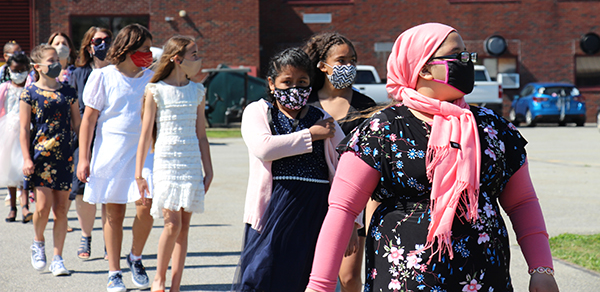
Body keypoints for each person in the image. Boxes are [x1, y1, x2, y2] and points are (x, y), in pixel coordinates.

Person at [306, 23, 560, 292]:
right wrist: (319, 285)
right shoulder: (382, 130)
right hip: (403, 282)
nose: (467, 63)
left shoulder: (492, 127)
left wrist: (541, 269)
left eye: (468, 55)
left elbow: (522, 203)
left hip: (486, 279)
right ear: (423, 68)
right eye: (457, 55)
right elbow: (342, 210)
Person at [233, 47, 346, 292]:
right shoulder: (258, 111)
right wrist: (311, 135)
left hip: (315, 210)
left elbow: (347, 165)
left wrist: (351, 223)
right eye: (287, 82)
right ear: (272, 83)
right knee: (262, 275)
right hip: (274, 207)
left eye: (302, 82)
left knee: (306, 277)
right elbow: (264, 148)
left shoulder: (323, 118)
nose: (295, 88)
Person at [76, 24, 155, 292]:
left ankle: (135, 257)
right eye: (144, 49)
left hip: (145, 153)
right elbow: (88, 120)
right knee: (114, 213)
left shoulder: (152, 78)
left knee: (147, 206)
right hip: (110, 152)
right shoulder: (103, 77)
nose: (148, 54)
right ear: (128, 49)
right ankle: (114, 271)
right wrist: (83, 159)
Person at [135, 36, 214, 292]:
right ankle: (159, 279)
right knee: (172, 223)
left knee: (185, 226)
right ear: (177, 59)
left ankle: (176, 285)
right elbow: (146, 134)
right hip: (166, 161)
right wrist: (139, 174)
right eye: (194, 54)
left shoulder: (198, 91)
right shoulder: (155, 90)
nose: (198, 58)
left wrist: (209, 170)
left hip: (191, 161)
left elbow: (202, 135)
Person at [304, 32, 377, 292]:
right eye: (341, 60)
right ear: (323, 65)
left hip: (351, 201)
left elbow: (372, 163)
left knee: (348, 277)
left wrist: (360, 219)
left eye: (352, 60)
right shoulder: (305, 103)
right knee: (311, 274)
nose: (348, 66)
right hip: (310, 197)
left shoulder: (366, 106)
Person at [19, 45, 81, 276]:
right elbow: (24, 128)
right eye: (51, 59)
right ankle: (38, 242)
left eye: (58, 59)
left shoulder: (69, 91)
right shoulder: (29, 93)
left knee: (62, 209)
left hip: (64, 156)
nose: (57, 62)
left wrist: (83, 154)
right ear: (38, 66)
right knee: (43, 207)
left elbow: (78, 125)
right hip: (41, 157)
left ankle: (58, 257)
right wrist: (26, 158)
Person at [68, 26, 113, 260]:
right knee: (83, 188)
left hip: (111, 136)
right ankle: (86, 236)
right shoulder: (79, 73)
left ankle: (110, 240)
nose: (103, 44)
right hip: (85, 137)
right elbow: (75, 110)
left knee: (108, 190)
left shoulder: (119, 72)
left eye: (107, 39)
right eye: (98, 40)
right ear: (89, 45)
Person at [0, 51, 33, 223]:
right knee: (10, 168)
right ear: (9, 70)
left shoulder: (31, 88)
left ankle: (25, 205)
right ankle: (12, 206)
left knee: (24, 169)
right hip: (7, 131)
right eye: (15, 70)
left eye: (22, 70)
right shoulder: (4, 88)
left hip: (26, 131)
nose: (18, 73)